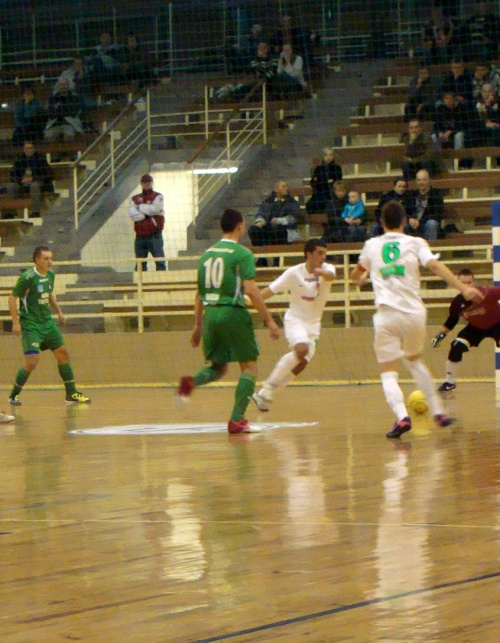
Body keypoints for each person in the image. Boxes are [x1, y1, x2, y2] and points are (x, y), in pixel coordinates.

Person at [350, 201, 481, 438]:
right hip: (414, 315)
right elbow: (434, 266)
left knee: (388, 372)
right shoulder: (416, 242)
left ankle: (402, 418)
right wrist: (463, 288)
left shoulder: (371, 245)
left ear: (381, 223)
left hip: (387, 315)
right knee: (414, 361)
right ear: (404, 221)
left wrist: (360, 277)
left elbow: (355, 275)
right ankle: (438, 412)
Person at [176, 208, 280, 434]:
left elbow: (198, 294)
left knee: (219, 368)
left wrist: (197, 326)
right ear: (240, 225)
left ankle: (191, 382)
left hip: (211, 314)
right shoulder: (242, 254)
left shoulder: (206, 255)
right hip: (232, 312)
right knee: (249, 367)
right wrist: (270, 321)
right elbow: (251, 290)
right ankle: (237, 420)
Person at [252, 238, 336, 411]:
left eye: (325, 254)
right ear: (308, 254)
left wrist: (320, 272)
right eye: (319, 253)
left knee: (301, 363)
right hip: (295, 320)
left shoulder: (327, 269)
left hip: (314, 324)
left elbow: (331, 276)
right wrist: (253, 299)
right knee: (301, 350)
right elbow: (270, 290)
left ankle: (265, 392)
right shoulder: (293, 273)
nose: (323, 257)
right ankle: (268, 387)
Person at [7, 246, 91, 406]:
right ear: (37, 260)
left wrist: (59, 311)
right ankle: (13, 395)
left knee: (63, 353)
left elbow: (49, 293)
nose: (50, 262)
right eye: (46, 258)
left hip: (47, 322)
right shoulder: (27, 277)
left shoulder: (51, 274)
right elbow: (12, 299)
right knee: (32, 361)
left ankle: (71, 393)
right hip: (31, 324)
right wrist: (16, 322)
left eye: (51, 258)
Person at [431, 268, 499, 392]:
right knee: (456, 346)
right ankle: (449, 383)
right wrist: (440, 335)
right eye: (463, 283)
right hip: (475, 328)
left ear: (474, 283)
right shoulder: (457, 303)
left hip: (497, 323)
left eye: (469, 283)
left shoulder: (488, 292)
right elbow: (452, 320)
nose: (467, 286)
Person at [247, 180, 301, 265]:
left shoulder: (292, 203)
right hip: (269, 230)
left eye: (287, 186)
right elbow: (260, 214)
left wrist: (279, 221)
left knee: (278, 230)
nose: (286, 188)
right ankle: (262, 259)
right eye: (283, 186)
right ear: (276, 189)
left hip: (284, 231)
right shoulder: (267, 202)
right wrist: (260, 221)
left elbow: (294, 217)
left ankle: (278, 260)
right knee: (253, 230)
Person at [5, 141, 53, 218]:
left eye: (30, 148)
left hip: (38, 184)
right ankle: (10, 212)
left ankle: (35, 212)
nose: (29, 150)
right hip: (22, 184)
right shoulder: (19, 160)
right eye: (27, 148)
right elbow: (13, 175)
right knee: (10, 186)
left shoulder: (40, 159)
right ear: (23, 150)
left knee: (34, 185)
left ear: (34, 149)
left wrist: (33, 178)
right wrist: (20, 180)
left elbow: (47, 173)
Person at [128, 173, 166, 271]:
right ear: (141, 183)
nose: (147, 184)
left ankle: (162, 283)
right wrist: (147, 213)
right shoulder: (134, 198)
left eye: (148, 181)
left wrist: (140, 207)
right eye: (144, 182)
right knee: (140, 263)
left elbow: (155, 209)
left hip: (155, 235)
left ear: (152, 182)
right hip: (140, 235)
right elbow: (133, 214)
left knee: (160, 261)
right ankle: (140, 284)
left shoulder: (158, 196)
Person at [408, 169, 444, 241]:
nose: (421, 182)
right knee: (403, 225)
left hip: (427, 223)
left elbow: (437, 214)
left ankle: (430, 250)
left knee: (431, 224)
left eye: (424, 180)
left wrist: (420, 221)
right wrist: (409, 219)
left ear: (429, 180)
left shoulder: (435, 194)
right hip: (413, 224)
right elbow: (405, 210)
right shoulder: (411, 195)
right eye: (419, 180)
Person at [44, 77, 84, 142]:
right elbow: (51, 113)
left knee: (69, 136)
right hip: (54, 124)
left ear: (68, 85)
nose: (63, 86)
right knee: (48, 136)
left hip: (70, 123)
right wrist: (64, 110)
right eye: (61, 85)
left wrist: (58, 109)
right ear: (58, 86)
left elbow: (74, 112)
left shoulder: (75, 97)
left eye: (64, 84)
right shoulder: (53, 98)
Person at [306, 148, 343, 214]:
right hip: (320, 193)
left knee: (330, 204)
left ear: (333, 156)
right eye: (326, 155)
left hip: (331, 193)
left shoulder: (337, 168)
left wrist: (323, 182)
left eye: (330, 155)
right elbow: (314, 183)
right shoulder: (318, 168)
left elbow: (337, 182)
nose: (328, 157)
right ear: (323, 156)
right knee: (310, 204)